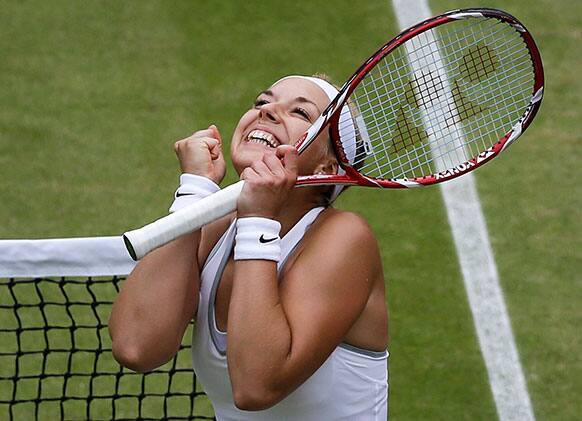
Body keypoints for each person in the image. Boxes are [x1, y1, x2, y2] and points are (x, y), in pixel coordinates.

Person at [109, 75, 389, 420]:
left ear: (327, 167)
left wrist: (258, 218)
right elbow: (136, 346)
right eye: (261, 102)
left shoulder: (344, 238)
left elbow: (257, 387)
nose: (267, 111)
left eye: (300, 112)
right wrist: (194, 191)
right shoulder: (215, 228)